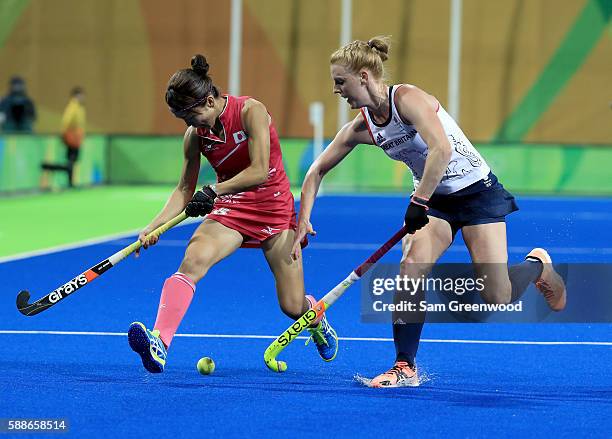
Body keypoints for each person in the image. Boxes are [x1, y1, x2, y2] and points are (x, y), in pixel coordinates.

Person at [292, 36, 566, 388]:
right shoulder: (363, 126)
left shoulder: (408, 99)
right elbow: (315, 172)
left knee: (497, 295)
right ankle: (405, 365)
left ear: (363, 76)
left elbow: (441, 149)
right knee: (410, 268)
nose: (336, 90)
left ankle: (538, 265)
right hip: (434, 202)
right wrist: (303, 218)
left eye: (340, 82)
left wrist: (418, 200)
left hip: (476, 193)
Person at [127, 54, 338, 373]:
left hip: (273, 207)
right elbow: (184, 188)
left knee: (292, 306)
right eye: (183, 119)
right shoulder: (195, 136)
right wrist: (154, 227)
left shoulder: (251, 111)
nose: (190, 124)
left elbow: (259, 171)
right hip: (231, 207)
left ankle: (316, 318)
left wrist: (213, 191)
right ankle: (160, 341)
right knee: (193, 259)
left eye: (192, 115)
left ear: (209, 100)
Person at [41, 87, 86, 188]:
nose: (83, 97)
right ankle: (50, 168)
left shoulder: (78, 107)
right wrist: (65, 135)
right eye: (80, 95)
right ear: (76, 95)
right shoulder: (73, 107)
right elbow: (66, 122)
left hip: (76, 137)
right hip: (73, 138)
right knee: (71, 161)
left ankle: (70, 181)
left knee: (72, 161)